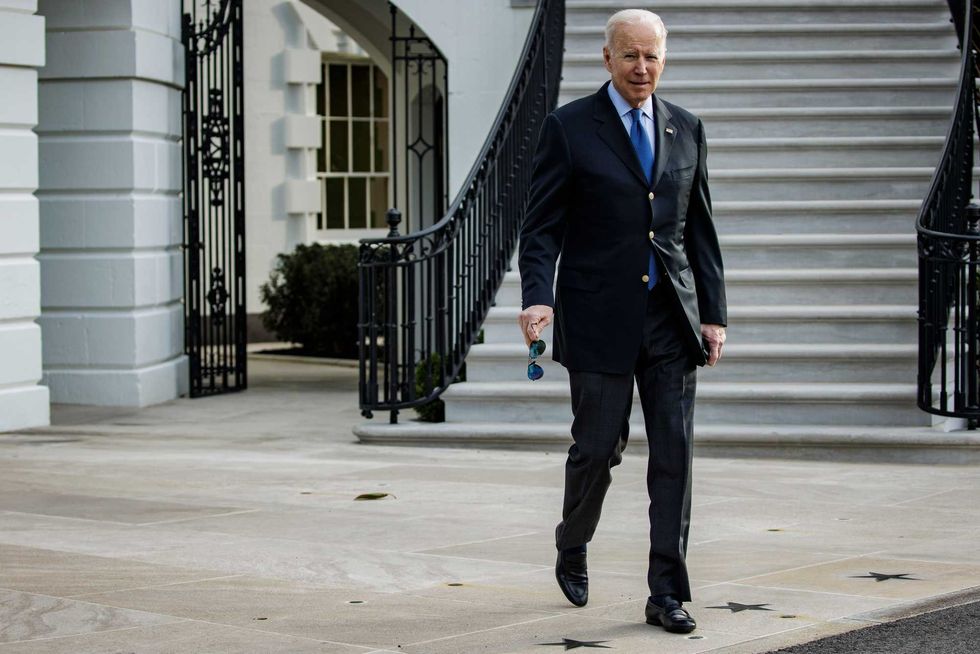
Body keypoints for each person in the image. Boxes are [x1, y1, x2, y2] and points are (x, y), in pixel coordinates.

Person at [517, 8, 727, 634]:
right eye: (630, 55)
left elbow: (699, 229)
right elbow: (542, 225)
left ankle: (667, 592)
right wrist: (537, 296)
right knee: (598, 449)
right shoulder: (570, 127)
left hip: (670, 318)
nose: (642, 68)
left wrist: (713, 314)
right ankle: (573, 538)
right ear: (606, 58)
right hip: (598, 317)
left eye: (652, 56)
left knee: (674, 455)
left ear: (665, 58)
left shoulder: (686, 127)